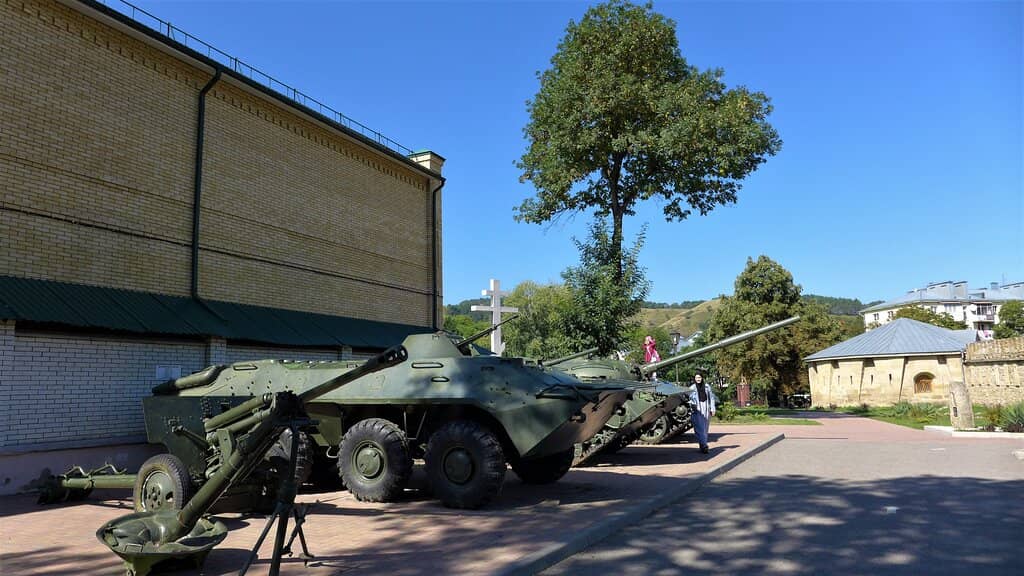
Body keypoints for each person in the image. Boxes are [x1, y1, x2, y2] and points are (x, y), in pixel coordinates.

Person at [688, 371, 717, 454]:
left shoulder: (707, 387)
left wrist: (713, 408)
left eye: (699, 377)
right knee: (699, 427)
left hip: (706, 407)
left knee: (705, 427)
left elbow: (711, 398)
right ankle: (704, 445)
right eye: (697, 378)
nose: (698, 379)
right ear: (694, 379)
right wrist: (693, 407)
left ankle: (702, 444)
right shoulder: (692, 388)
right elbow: (690, 399)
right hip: (697, 408)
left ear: (702, 378)